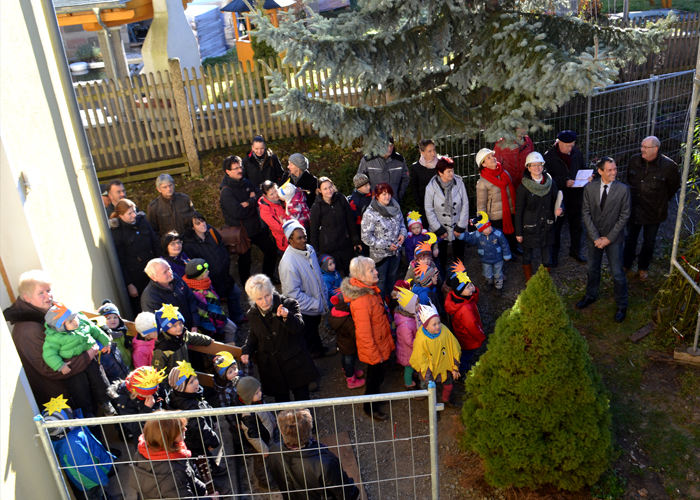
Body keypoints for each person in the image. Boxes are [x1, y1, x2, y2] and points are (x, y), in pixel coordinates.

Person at [4, 270, 93, 406]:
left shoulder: (51, 314)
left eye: (48, 290)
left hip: (74, 389)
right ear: (27, 298)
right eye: (41, 293)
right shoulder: (28, 330)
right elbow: (49, 368)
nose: (48, 296)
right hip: (61, 399)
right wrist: (87, 355)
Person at [242, 274, 319, 403]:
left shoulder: (289, 304)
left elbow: (299, 327)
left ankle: (308, 423)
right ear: (253, 299)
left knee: (303, 401)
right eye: (259, 299)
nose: (265, 301)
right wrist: (247, 350)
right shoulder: (253, 313)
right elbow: (254, 333)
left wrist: (287, 317)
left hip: (294, 363)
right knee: (282, 404)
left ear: (272, 291)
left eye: (267, 295)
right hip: (272, 367)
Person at [341, 256, 396, 422]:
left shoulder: (369, 290)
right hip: (375, 349)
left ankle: (375, 399)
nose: (376, 272)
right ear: (361, 277)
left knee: (377, 375)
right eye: (371, 270)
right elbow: (364, 333)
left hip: (379, 343)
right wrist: (375, 355)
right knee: (375, 377)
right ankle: (370, 407)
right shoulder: (362, 300)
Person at [577, 157, 631, 323]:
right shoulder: (589, 188)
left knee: (617, 273)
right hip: (594, 239)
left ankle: (622, 304)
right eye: (610, 170)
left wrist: (608, 239)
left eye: (615, 169)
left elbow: (624, 216)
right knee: (592, 269)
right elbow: (585, 213)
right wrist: (595, 237)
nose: (614, 172)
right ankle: (590, 295)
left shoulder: (623, 190)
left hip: (613, 239)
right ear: (600, 171)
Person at [42, 302, 117, 417]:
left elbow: (95, 330)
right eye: (70, 321)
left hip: (91, 359)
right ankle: (86, 412)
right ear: (60, 326)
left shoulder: (82, 322)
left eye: (75, 318)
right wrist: (60, 365)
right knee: (80, 390)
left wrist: (105, 340)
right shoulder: (54, 338)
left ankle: (106, 403)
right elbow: (49, 354)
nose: (76, 321)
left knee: (100, 380)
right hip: (73, 366)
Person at [268, 409, 360, 500]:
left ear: (282, 432)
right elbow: (345, 493)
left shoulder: (274, 451)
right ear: (309, 431)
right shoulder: (325, 463)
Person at [623, 136, 681, 281]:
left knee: (649, 241)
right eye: (641, 146)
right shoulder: (634, 160)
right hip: (635, 207)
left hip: (654, 210)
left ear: (655, 149)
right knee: (630, 238)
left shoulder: (669, 166)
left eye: (645, 147)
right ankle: (626, 264)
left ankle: (643, 267)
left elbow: (673, 187)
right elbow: (628, 179)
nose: (642, 149)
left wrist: (659, 200)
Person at [168, 361, 229, 486]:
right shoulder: (188, 406)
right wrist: (212, 440)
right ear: (181, 388)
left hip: (198, 440)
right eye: (191, 382)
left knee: (205, 455)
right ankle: (210, 478)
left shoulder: (190, 395)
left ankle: (211, 466)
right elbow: (199, 427)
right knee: (202, 459)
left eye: (195, 378)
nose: (196, 382)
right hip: (195, 441)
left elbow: (203, 405)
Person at [220, 155, 278, 283]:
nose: (239, 170)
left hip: (255, 228)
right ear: (228, 172)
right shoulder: (226, 191)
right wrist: (252, 202)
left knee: (271, 250)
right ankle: (247, 284)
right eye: (235, 168)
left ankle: (268, 277)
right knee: (245, 260)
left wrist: (248, 202)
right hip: (241, 232)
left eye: (240, 167)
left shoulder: (245, 181)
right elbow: (238, 212)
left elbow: (259, 195)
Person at [42, 397, 115, 500]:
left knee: (99, 493)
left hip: (89, 476)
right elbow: (86, 467)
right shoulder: (72, 444)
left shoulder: (66, 436)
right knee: (96, 495)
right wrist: (102, 479)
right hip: (89, 480)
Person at [130, 417, 219, 499]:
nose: (186, 429)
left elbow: (188, 476)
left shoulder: (144, 451)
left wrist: (203, 490)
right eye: (181, 429)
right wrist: (209, 498)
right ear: (168, 436)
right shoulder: (173, 471)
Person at [279, 220, 331, 357]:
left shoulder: (310, 249)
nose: (303, 241)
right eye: (299, 238)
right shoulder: (288, 264)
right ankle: (311, 357)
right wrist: (316, 303)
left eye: (304, 236)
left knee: (314, 329)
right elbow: (292, 294)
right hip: (306, 308)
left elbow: (317, 274)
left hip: (315, 301)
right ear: (290, 240)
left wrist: (323, 295)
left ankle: (318, 349)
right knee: (308, 333)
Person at [182, 212, 245, 323]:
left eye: (202, 220)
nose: (202, 224)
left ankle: (237, 317)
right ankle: (222, 325)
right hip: (210, 280)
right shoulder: (188, 245)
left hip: (224, 273)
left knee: (235, 293)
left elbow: (221, 244)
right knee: (215, 304)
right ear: (192, 227)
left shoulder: (211, 231)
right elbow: (195, 265)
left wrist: (226, 259)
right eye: (198, 223)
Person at [514, 152, 563, 281]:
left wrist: (560, 210)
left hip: (547, 225)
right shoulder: (523, 188)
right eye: (533, 165)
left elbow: (558, 200)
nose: (537, 168)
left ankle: (544, 281)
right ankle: (529, 282)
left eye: (539, 165)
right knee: (527, 257)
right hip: (529, 228)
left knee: (547, 258)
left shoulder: (550, 183)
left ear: (542, 166)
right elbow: (518, 211)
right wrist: (518, 232)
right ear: (528, 168)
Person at [544, 130, 589, 266]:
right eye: (568, 146)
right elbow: (547, 179)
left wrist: (588, 177)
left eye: (572, 145)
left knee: (577, 227)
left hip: (575, 197)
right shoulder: (548, 157)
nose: (571, 149)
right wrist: (564, 182)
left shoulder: (577, 154)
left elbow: (582, 168)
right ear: (559, 143)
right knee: (556, 228)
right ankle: (554, 255)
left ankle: (575, 251)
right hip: (559, 198)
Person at [109, 198, 160, 314]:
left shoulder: (143, 222)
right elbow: (120, 261)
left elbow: (155, 243)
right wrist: (129, 284)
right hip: (136, 277)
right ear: (121, 215)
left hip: (154, 271)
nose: (134, 215)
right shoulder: (117, 232)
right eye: (130, 213)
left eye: (134, 211)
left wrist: (161, 262)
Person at [409, 302, 462, 409]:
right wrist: (428, 378)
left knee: (448, 386)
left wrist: (455, 367)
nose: (438, 326)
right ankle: (433, 408)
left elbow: (454, 347)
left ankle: (446, 400)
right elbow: (421, 360)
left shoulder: (444, 331)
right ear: (426, 326)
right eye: (434, 324)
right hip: (431, 371)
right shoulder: (421, 339)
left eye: (439, 323)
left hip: (446, 368)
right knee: (431, 391)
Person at [230, 376, 278, 491]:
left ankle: (272, 476)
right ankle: (265, 482)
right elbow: (252, 436)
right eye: (257, 392)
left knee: (268, 461)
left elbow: (266, 411)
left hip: (265, 437)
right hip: (257, 445)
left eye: (260, 390)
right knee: (261, 464)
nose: (260, 393)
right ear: (248, 396)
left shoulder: (257, 400)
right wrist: (263, 449)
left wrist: (273, 421)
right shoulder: (247, 414)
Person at [361, 182, 407, 300]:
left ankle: (391, 301)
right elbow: (365, 237)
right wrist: (386, 245)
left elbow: (402, 223)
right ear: (377, 196)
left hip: (395, 252)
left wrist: (402, 234)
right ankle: (381, 305)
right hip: (379, 255)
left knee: (392, 276)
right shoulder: (370, 213)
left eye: (389, 194)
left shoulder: (396, 208)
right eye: (383, 194)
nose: (387, 197)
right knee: (380, 280)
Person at [310, 177, 362, 275]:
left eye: (330, 187)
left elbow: (350, 220)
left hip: (345, 244)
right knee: (334, 276)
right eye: (325, 189)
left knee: (350, 272)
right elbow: (314, 230)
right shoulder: (316, 207)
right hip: (328, 247)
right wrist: (315, 252)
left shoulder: (341, 199)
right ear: (319, 191)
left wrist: (355, 241)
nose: (329, 190)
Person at [424, 157, 470, 269]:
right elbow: (429, 209)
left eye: (452, 170)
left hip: (458, 226)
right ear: (440, 173)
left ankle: (460, 279)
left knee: (459, 256)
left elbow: (465, 204)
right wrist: (438, 230)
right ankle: (441, 280)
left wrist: (460, 226)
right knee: (440, 257)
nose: (452, 173)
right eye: (448, 171)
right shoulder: (431, 187)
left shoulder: (459, 183)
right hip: (440, 229)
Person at [107, 365, 168, 447]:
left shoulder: (152, 381)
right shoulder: (124, 400)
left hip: (164, 432)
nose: (152, 397)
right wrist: (147, 409)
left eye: (154, 393)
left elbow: (163, 398)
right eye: (147, 395)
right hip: (145, 440)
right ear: (135, 393)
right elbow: (133, 426)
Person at [182, 259, 239, 344]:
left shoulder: (205, 283)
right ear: (200, 276)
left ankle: (229, 348)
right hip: (206, 323)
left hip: (216, 317)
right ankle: (229, 350)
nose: (208, 272)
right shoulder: (197, 294)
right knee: (231, 329)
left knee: (232, 328)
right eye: (206, 271)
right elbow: (202, 313)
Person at [443, 261, 485, 378]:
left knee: (465, 354)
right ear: (461, 292)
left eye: (471, 284)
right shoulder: (465, 309)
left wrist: (473, 291)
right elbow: (472, 327)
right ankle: (461, 373)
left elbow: (472, 299)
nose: (472, 287)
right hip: (468, 339)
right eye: (468, 287)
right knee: (466, 356)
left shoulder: (460, 298)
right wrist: (481, 336)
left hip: (462, 335)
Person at [475, 148, 518, 256]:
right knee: (500, 237)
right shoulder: (482, 182)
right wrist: (483, 222)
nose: (493, 158)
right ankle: (505, 254)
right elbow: (481, 204)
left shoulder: (504, 173)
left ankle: (514, 248)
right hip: (496, 215)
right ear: (483, 164)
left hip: (510, 210)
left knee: (512, 232)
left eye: (492, 156)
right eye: (488, 158)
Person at [458, 212, 512, 297]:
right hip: (485, 259)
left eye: (489, 226)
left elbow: (505, 244)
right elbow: (469, 237)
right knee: (487, 272)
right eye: (486, 228)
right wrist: (460, 235)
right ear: (481, 230)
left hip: (498, 258)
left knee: (498, 273)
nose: (489, 229)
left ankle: (498, 287)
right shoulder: (478, 235)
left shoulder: (498, 233)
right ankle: (489, 282)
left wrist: (507, 255)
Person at [151, 303, 213, 374]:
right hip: (173, 381)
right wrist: (166, 385)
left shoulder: (183, 335)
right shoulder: (162, 347)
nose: (179, 327)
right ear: (166, 328)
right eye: (174, 326)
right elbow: (158, 370)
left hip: (185, 374)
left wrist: (208, 340)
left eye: (180, 323)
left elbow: (195, 337)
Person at [141, 258, 200, 331]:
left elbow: (191, 300)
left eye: (169, 268)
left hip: (192, 328)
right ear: (154, 278)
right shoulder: (150, 297)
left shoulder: (176, 278)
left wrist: (195, 324)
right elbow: (156, 325)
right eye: (165, 272)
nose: (170, 273)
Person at [328, 293, 366, 389]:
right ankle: (351, 380)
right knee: (349, 361)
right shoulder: (347, 320)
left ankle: (348, 372)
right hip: (350, 345)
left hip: (341, 342)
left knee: (344, 359)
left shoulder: (334, 314)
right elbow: (355, 333)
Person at [357, 137, 410, 203]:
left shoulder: (400, 160)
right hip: (373, 203)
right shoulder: (368, 160)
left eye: (391, 145)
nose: (389, 148)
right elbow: (360, 181)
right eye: (386, 146)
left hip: (393, 202)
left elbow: (405, 178)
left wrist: (399, 195)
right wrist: (368, 197)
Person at [146, 173, 196, 238]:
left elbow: (195, 219)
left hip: (189, 240)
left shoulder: (185, 199)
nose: (169, 189)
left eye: (170, 185)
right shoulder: (153, 207)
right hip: (169, 245)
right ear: (159, 189)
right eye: (165, 187)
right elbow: (153, 231)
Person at [94, 300, 130, 381]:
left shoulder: (124, 331)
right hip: (118, 371)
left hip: (129, 367)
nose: (113, 320)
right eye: (108, 318)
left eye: (115, 317)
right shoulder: (105, 338)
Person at [393, 285, 419, 390]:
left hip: (410, 350)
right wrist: (418, 344)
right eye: (416, 304)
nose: (419, 306)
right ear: (409, 307)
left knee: (411, 366)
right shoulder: (405, 325)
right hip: (408, 352)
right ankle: (408, 383)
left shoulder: (410, 316)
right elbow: (409, 341)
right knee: (408, 369)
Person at [410, 138, 440, 221]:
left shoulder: (441, 163)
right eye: (429, 151)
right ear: (422, 152)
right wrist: (419, 201)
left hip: (442, 202)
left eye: (434, 150)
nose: (433, 153)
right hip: (426, 204)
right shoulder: (416, 167)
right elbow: (414, 185)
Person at [259, 180, 290, 252]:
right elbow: (280, 229)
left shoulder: (282, 197)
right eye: (271, 194)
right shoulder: (265, 211)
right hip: (285, 243)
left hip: (296, 237)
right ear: (265, 195)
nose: (275, 195)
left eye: (276, 191)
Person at [348, 174, 373, 256]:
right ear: (358, 187)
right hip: (364, 234)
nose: (369, 187)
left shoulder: (371, 195)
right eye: (366, 185)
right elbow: (356, 223)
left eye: (369, 184)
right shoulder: (355, 203)